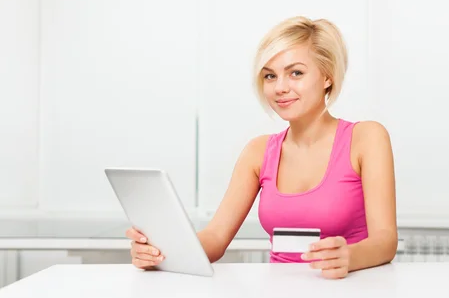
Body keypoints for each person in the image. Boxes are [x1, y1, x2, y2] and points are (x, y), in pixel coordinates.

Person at [126, 16, 398, 279]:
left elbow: (385, 241)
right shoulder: (258, 152)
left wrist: (350, 256)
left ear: (327, 77)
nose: (280, 87)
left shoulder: (367, 138)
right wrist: (161, 251)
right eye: (270, 76)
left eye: (296, 73)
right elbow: (215, 238)